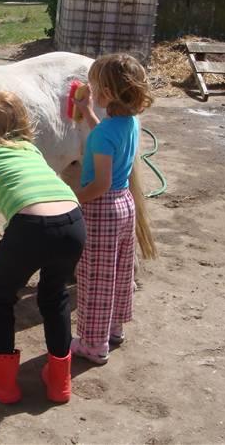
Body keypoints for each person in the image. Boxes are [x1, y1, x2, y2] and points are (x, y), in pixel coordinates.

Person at [0, 90, 86, 404]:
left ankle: (2, 381)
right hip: (72, 219)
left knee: (0, 297)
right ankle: (59, 381)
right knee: (54, 297)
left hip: (29, 227)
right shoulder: (30, 148)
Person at [72, 54, 153, 365]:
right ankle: (114, 329)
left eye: (95, 86)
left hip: (102, 209)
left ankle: (93, 344)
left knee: (95, 277)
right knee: (116, 273)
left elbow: (101, 183)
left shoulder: (107, 133)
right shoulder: (126, 123)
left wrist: (76, 198)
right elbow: (104, 138)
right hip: (125, 205)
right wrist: (87, 112)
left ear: (106, 92)